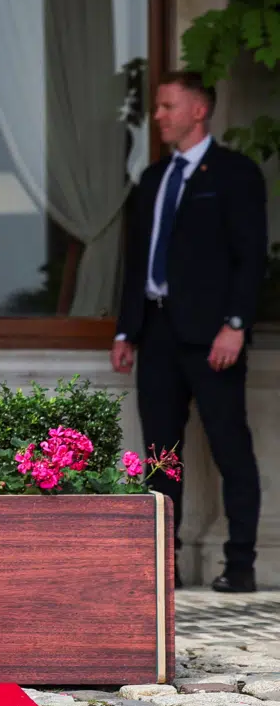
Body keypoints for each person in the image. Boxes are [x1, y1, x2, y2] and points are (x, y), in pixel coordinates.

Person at [112, 70, 267, 594]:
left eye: (167, 106)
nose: (158, 116)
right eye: (156, 107)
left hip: (214, 338)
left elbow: (251, 260)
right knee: (161, 453)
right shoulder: (153, 179)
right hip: (156, 334)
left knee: (230, 448)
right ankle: (164, 566)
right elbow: (136, 264)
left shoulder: (235, 174)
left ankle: (240, 564)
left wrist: (236, 325)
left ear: (198, 111)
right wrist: (125, 330)